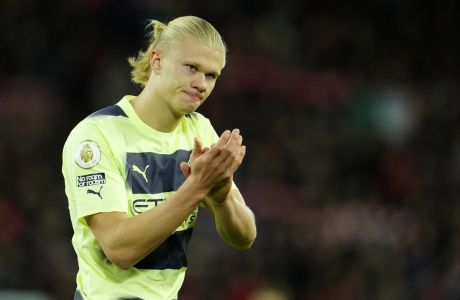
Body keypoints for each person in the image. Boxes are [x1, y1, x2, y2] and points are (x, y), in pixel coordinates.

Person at [62, 15, 257, 300]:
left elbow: (244, 237)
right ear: (157, 61)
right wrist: (197, 187)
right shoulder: (95, 136)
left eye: (211, 75)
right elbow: (119, 249)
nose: (201, 83)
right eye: (191, 67)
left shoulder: (199, 131)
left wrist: (222, 193)